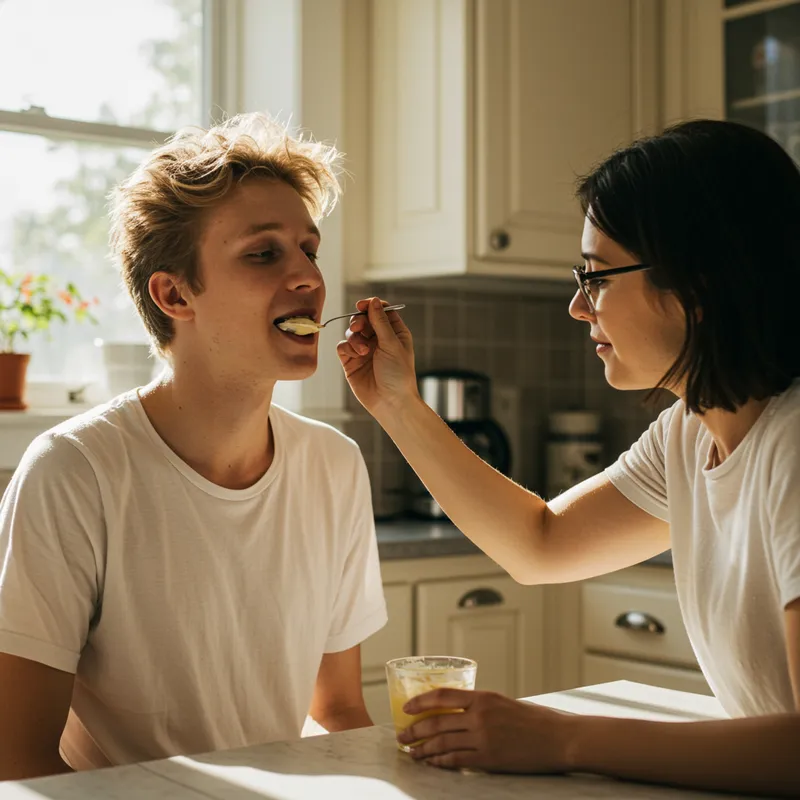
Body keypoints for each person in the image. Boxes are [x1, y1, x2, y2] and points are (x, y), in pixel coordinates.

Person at [338, 119, 800, 797]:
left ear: (697, 285)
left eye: (597, 277)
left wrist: (563, 738)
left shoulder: (792, 442)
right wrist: (399, 407)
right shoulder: (688, 435)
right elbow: (541, 546)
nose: (578, 307)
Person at [0, 113, 387, 780]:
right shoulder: (74, 471)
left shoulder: (334, 466)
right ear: (174, 294)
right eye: (265, 254)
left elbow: (341, 711)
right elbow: (17, 760)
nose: (310, 278)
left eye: (310, 250)